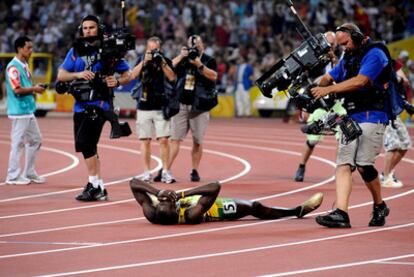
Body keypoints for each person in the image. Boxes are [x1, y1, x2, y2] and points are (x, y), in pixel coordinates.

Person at [310, 23, 391, 228]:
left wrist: (329, 90)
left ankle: (379, 205)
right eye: (340, 45)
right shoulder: (348, 57)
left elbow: (361, 81)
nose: (343, 48)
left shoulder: (376, 53)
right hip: (352, 116)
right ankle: (341, 213)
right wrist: (311, 88)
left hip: (373, 115)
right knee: (344, 162)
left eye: (345, 43)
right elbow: (329, 77)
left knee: (364, 166)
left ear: (355, 36)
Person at [57, 15, 131, 201]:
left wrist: (118, 81)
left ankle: (93, 184)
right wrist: (79, 74)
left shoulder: (109, 50)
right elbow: (61, 75)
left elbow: (127, 74)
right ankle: (99, 186)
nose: (88, 30)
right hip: (79, 105)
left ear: (99, 28)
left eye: (92, 27)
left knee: (85, 143)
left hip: (99, 104)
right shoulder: (75, 50)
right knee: (88, 147)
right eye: (85, 28)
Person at [154, 35, 217, 183]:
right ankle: (165, 169)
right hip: (181, 103)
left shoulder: (209, 60)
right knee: (174, 139)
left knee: (198, 141)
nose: (195, 47)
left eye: (198, 44)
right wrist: (180, 56)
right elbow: (169, 70)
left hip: (200, 106)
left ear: (203, 45)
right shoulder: (183, 60)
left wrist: (199, 64)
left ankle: (194, 170)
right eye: (192, 45)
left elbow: (214, 76)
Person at [129, 178, 324, 225]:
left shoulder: (152, 212)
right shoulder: (191, 215)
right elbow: (215, 186)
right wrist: (181, 195)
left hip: (196, 199)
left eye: (160, 199)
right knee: (253, 207)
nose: (163, 197)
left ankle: (294, 211)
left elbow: (133, 183)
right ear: (174, 206)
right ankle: (295, 211)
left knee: (253, 206)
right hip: (213, 208)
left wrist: (157, 190)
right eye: (165, 199)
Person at [294, 31, 342, 182]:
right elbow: (305, 82)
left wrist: (334, 59)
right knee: (312, 140)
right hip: (319, 103)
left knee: (343, 137)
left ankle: (340, 170)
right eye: (326, 44)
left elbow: (342, 74)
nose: (328, 47)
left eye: (332, 44)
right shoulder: (313, 61)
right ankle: (301, 167)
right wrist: (305, 109)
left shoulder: (341, 57)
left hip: (337, 102)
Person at [131, 36, 176, 184]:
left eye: (155, 49)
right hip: (143, 105)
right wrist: (145, 61)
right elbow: (133, 75)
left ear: (160, 49)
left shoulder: (165, 61)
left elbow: (172, 78)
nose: (152, 52)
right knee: (145, 141)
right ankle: (146, 172)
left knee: (164, 140)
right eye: (150, 49)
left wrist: (162, 63)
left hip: (161, 106)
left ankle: (165, 171)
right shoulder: (141, 60)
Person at [4, 36, 46, 185]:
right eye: (28, 48)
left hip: (27, 110)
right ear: (20, 48)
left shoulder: (24, 65)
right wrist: (34, 89)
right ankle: (12, 176)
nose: (31, 51)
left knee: (36, 140)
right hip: (19, 111)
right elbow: (17, 90)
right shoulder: (13, 67)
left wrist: (35, 86)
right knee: (18, 143)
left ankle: (29, 171)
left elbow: (25, 85)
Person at [380, 67, 412, 188]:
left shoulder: (392, 64)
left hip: (394, 112)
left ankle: (385, 173)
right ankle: (386, 178)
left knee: (405, 143)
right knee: (393, 145)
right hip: (383, 112)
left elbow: (404, 81)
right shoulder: (377, 65)